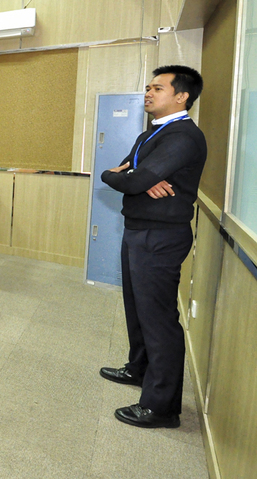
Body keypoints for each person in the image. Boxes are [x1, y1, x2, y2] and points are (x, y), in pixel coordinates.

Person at [99, 65, 206, 429]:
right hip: (140, 230)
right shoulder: (153, 133)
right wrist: (133, 177)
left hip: (160, 237)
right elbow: (126, 173)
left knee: (159, 321)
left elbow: (133, 177)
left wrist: (134, 178)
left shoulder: (183, 136)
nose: (148, 92)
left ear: (181, 96)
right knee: (137, 310)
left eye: (157, 88)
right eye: (147, 87)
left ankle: (161, 406)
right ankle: (138, 368)